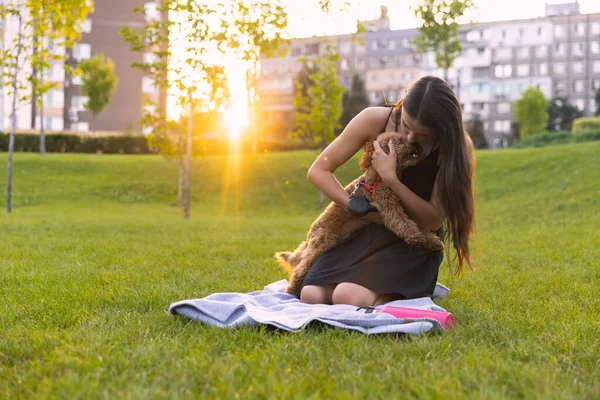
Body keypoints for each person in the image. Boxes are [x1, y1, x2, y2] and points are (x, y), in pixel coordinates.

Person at [300, 75, 475, 307]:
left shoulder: (455, 146)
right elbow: (318, 171)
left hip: (412, 239)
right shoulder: (374, 120)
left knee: (347, 296)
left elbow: (432, 220)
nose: (411, 137)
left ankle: (408, 290)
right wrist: (355, 206)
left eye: (423, 135)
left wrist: (391, 179)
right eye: (406, 126)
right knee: (311, 295)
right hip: (365, 230)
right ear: (401, 105)